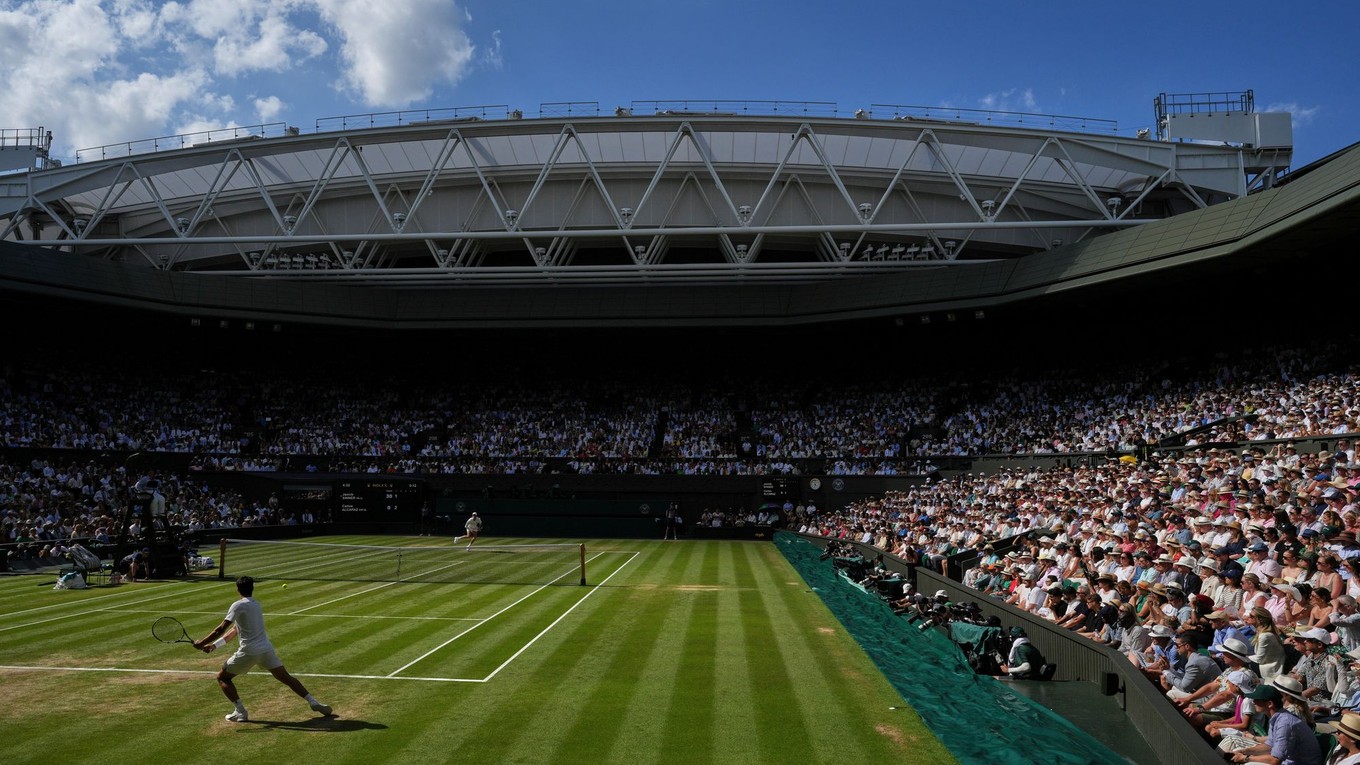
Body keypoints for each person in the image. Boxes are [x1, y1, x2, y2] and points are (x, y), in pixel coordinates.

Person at [194, 575, 333, 723]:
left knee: (223, 678)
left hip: (249, 651)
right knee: (286, 678)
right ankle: (313, 701)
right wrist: (214, 645)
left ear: (237, 589)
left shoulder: (237, 605)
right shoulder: (256, 605)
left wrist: (202, 642)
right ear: (252, 588)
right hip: (266, 650)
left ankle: (240, 712)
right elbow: (235, 630)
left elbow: (221, 629)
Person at [1230, 684, 1323, 765]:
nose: (1253, 702)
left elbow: (1275, 760)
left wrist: (1246, 758)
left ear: (1270, 703)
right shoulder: (1277, 717)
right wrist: (1244, 751)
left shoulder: (1285, 723)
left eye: (1257, 700)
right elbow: (1269, 746)